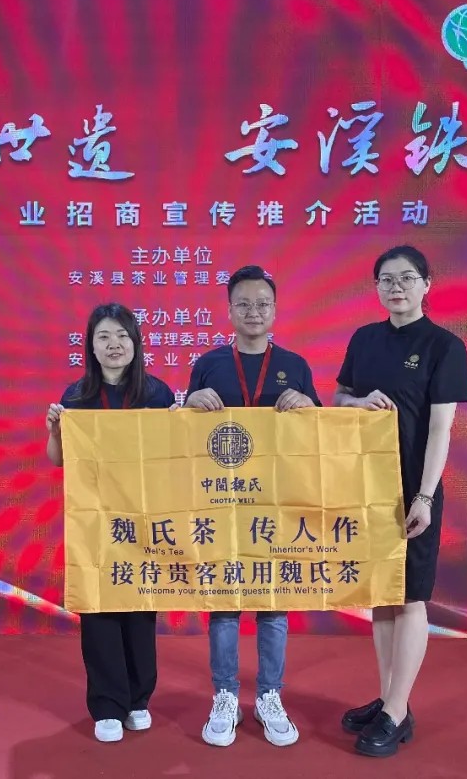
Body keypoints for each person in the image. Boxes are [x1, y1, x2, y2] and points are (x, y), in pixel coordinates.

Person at [333, 245, 467, 758]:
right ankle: (391, 698)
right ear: (376, 288)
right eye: (387, 279)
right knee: (383, 593)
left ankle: (396, 711)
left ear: (426, 284)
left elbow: (441, 429)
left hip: (414, 490)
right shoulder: (364, 340)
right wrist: (358, 401)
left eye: (407, 278)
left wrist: (425, 496)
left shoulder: (444, 346)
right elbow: (338, 399)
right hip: (368, 487)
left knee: (411, 597)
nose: (397, 287)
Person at [183, 265, 320, 748]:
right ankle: (224, 695)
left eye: (262, 304)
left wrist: (308, 405)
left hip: (276, 501)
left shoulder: (295, 365)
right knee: (224, 605)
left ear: (275, 310)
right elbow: (183, 436)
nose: (253, 312)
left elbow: (319, 433)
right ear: (229, 311)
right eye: (244, 304)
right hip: (220, 502)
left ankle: (268, 696)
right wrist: (189, 403)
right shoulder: (208, 364)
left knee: (273, 605)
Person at [45, 302, 176, 743]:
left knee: (140, 605)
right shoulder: (77, 396)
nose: (113, 344)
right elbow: (59, 459)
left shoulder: (157, 394)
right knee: (99, 607)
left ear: (136, 343)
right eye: (103, 337)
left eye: (122, 336)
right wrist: (54, 430)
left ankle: (138, 699)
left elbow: (174, 457)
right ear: (91, 346)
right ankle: (107, 704)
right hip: (96, 520)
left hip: (143, 518)